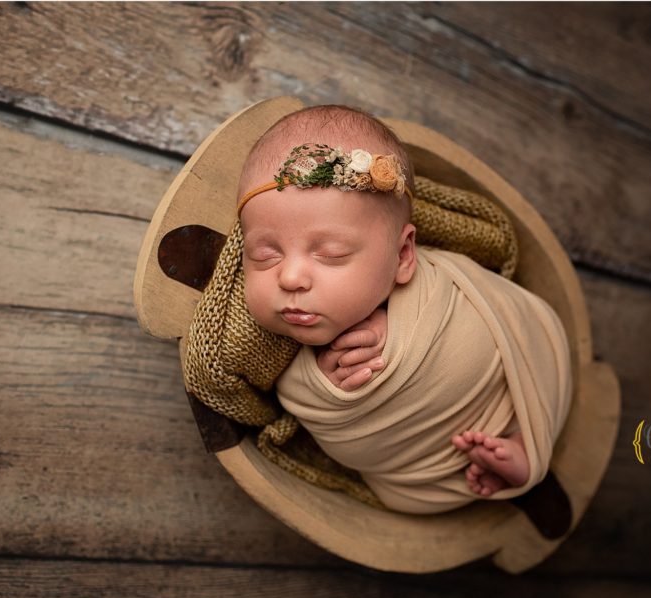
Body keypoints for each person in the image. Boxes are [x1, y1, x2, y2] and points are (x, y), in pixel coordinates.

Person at [235, 104, 572, 514]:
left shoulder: (439, 286)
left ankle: (526, 437)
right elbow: (298, 405)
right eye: (265, 255)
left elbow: (501, 306)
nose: (290, 278)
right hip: (413, 465)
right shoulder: (267, 351)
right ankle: (515, 463)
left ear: (404, 255)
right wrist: (322, 382)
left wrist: (397, 325)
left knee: (536, 332)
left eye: (331, 253)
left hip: (506, 381)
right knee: (398, 496)